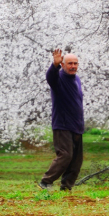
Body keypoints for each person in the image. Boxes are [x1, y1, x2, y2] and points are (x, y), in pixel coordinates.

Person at [38, 48, 84, 191]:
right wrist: (54, 65)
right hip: (62, 124)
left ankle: (66, 187)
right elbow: (50, 77)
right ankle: (46, 182)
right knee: (65, 155)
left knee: (76, 160)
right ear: (63, 65)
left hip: (76, 125)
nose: (73, 66)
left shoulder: (76, 79)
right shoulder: (58, 79)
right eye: (69, 63)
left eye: (75, 63)